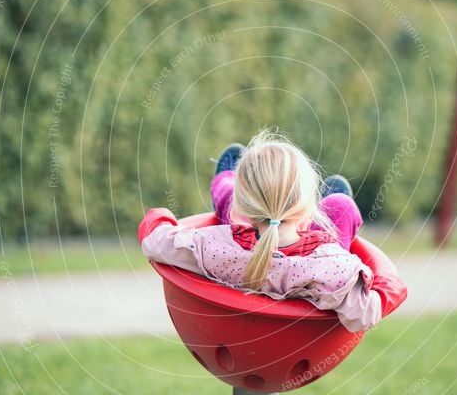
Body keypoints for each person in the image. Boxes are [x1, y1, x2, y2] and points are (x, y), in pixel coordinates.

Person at [138, 131, 407, 332]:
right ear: (308, 207)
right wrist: (389, 281)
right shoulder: (332, 268)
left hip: (239, 279)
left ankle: (228, 188)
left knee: (227, 193)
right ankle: (324, 206)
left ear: (243, 206)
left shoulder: (215, 247)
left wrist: (160, 215)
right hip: (299, 338)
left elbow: (154, 240)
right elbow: (364, 313)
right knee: (341, 206)